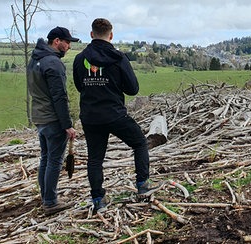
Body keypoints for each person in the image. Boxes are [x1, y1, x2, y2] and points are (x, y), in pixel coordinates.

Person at [73, 18, 156, 214]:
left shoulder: (79, 59)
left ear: (92, 34)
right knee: (139, 143)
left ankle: (98, 199)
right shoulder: (119, 58)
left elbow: (79, 86)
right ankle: (143, 185)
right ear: (111, 35)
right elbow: (133, 89)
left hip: (90, 117)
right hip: (115, 115)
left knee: (95, 159)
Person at [27, 26, 79, 216]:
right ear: (56, 41)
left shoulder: (35, 59)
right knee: (54, 161)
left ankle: (45, 196)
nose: (69, 47)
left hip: (39, 117)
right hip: (53, 119)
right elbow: (59, 97)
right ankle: (50, 202)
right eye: (67, 42)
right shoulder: (53, 64)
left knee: (46, 158)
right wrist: (67, 125)